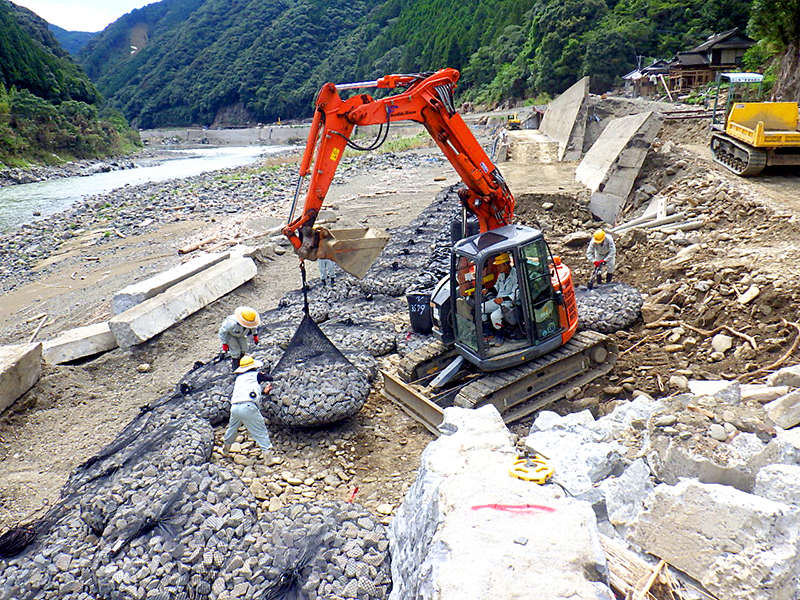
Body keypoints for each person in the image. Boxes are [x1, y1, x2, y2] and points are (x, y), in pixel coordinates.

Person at [223, 355, 276, 462]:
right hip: (248, 407)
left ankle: (225, 450)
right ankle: (269, 459)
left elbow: (246, 391)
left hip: (235, 407)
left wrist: (262, 392)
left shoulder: (239, 379)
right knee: (260, 431)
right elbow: (270, 378)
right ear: (253, 366)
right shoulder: (256, 375)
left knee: (232, 429)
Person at [481, 252, 519, 345]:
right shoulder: (501, 274)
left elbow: (516, 294)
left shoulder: (516, 275)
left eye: (500, 266)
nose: (498, 268)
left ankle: (499, 336)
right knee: (481, 308)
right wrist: (488, 290)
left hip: (509, 303)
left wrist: (503, 299)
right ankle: (489, 332)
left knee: (495, 316)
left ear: (506, 264)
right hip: (498, 300)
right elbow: (496, 287)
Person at [218, 306, 260, 371]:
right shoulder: (231, 323)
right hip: (230, 335)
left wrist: (255, 335)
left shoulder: (250, 320)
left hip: (241, 334)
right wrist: (224, 343)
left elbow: (253, 326)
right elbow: (222, 332)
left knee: (244, 348)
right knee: (235, 351)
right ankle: (236, 368)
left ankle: (244, 365)